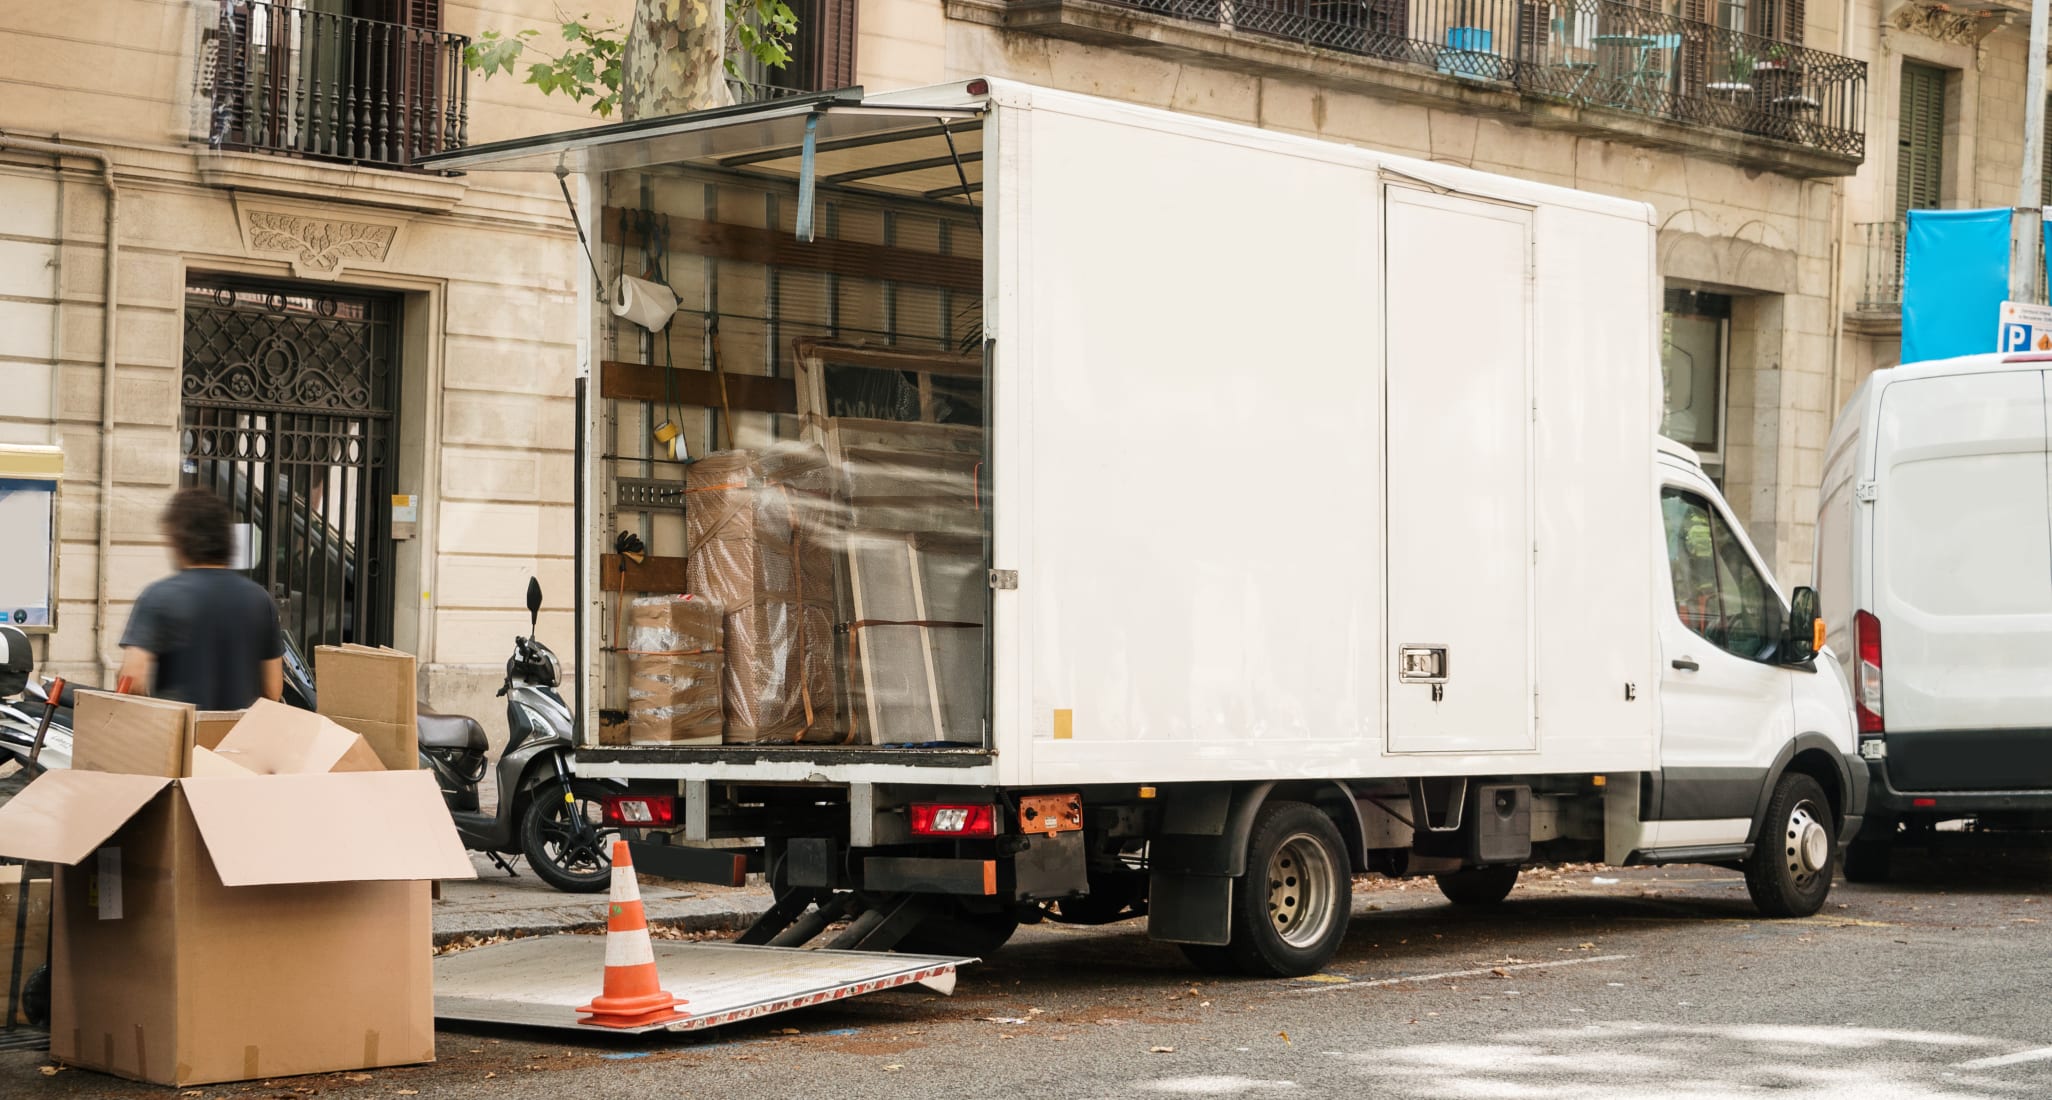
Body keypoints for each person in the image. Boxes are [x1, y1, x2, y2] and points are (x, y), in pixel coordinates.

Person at [118, 489, 284, 709]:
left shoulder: (159, 597)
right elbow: (272, 690)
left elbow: (132, 680)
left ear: (179, 540)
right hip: (238, 738)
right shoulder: (260, 600)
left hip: (181, 736)